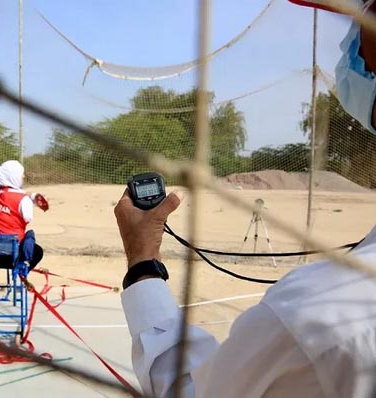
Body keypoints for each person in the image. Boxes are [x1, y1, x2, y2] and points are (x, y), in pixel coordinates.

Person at [114, 2, 376, 397]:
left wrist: (142, 262)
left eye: (363, 16)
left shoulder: (314, 317)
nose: (349, 43)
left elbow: (188, 390)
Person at [0, 160, 48, 274]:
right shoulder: (23, 200)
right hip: (11, 253)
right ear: (14, 176)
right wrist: (31, 198)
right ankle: (21, 269)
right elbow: (27, 218)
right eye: (21, 173)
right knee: (36, 249)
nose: (23, 176)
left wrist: (32, 196)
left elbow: (12, 192)